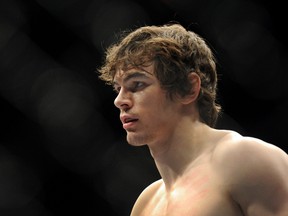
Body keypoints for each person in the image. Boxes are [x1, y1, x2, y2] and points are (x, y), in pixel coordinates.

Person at [98, 22, 288, 215]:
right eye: (118, 89)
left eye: (137, 84)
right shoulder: (146, 204)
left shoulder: (243, 158)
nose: (119, 100)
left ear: (188, 88)